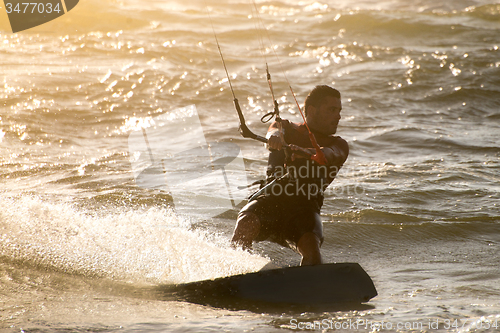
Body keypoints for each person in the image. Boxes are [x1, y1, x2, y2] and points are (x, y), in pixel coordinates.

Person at [231, 85, 349, 265]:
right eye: (332, 110)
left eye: (339, 110)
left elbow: (328, 154)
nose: (338, 116)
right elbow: (274, 129)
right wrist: (275, 137)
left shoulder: (339, 144)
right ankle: (235, 273)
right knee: (245, 223)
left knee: (312, 250)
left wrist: (305, 152)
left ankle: (308, 285)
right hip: (270, 201)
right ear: (312, 110)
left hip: (304, 210)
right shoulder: (286, 127)